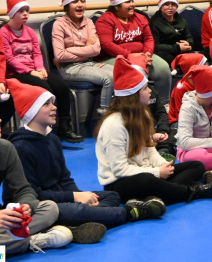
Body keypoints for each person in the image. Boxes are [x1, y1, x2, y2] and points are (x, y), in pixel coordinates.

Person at [7, 79, 164, 240]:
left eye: (52, 103)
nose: (54, 107)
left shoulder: (52, 139)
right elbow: (34, 194)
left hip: (62, 197)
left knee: (111, 196)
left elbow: (64, 178)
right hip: (42, 204)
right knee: (74, 210)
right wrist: (74, 198)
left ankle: (79, 222)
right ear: (32, 112)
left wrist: (81, 196)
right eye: (46, 104)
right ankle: (131, 212)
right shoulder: (21, 147)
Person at [95, 56, 212, 205]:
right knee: (147, 180)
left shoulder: (142, 115)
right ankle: (189, 192)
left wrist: (163, 166)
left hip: (147, 172)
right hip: (120, 182)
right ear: (133, 95)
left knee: (196, 166)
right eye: (145, 88)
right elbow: (119, 170)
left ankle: (160, 194)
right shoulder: (114, 125)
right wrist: (156, 173)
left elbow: (150, 150)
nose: (150, 91)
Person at [1, 0, 82, 143]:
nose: (25, 14)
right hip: (16, 73)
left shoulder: (30, 31)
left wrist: (40, 68)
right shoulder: (4, 32)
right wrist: (31, 72)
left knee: (61, 86)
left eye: (27, 10)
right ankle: (44, 129)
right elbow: (9, 59)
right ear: (12, 13)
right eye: (21, 11)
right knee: (45, 89)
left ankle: (64, 128)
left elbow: (37, 53)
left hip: (35, 70)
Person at [96, 0, 172, 110]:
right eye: (127, 2)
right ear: (116, 6)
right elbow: (107, 45)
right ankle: (134, 110)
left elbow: (148, 38)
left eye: (132, 0)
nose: (132, 4)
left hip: (142, 55)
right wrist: (129, 56)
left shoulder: (140, 18)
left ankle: (163, 106)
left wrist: (147, 53)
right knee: (135, 70)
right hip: (115, 57)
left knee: (163, 68)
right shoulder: (105, 20)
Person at [0, 121, 71, 255]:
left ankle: (13, 243)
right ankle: (28, 241)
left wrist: (26, 206)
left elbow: (24, 189)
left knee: (50, 208)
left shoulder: (5, 148)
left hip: (3, 222)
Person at [52, 0, 114, 115]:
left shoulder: (89, 22)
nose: (80, 5)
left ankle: (121, 113)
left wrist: (70, 50)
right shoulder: (59, 24)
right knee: (108, 78)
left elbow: (96, 49)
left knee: (120, 72)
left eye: (82, 1)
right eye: (75, 2)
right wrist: (87, 49)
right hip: (69, 68)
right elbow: (59, 56)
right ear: (67, 5)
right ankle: (105, 116)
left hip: (90, 63)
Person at [149, 0, 194, 65]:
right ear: (161, 6)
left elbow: (189, 37)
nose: (170, 7)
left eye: (173, 4)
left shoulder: (181, 20)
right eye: (166, 4)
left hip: (181, 50)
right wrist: (177, 48)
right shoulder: (154, 22)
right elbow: (155, 46)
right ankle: (179, 64)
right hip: (165, 52)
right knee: (160, 55)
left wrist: (188, 43)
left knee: (194, 57)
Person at [168, 53, 208, 126]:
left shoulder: (203, 83)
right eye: (204, 65)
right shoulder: (181, 87)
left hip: (198, 118)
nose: (207, 68)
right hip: (179, 121)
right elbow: (180, 114)